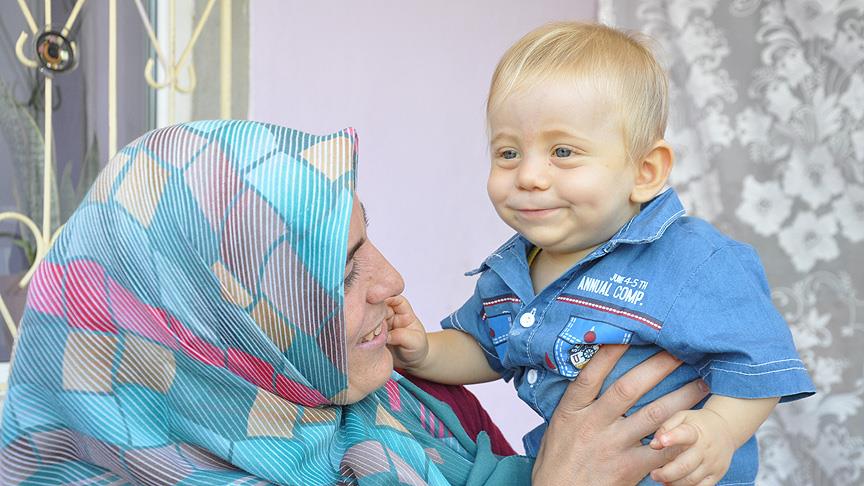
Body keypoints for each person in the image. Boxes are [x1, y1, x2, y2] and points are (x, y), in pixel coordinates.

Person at [0, 120, 707, 485]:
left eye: (369, 241)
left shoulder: (406, 403)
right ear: (208, 327)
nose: (391, 280)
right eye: (339, 275)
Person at [386, 22, 815, 486]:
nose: (528, 176)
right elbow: (485, 348)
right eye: (508, 153)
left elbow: (759, 358)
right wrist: (425, 352)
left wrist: (720, 428)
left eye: (563, 151)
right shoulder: (509, 273)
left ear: (645, 171)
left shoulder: (691, 260)